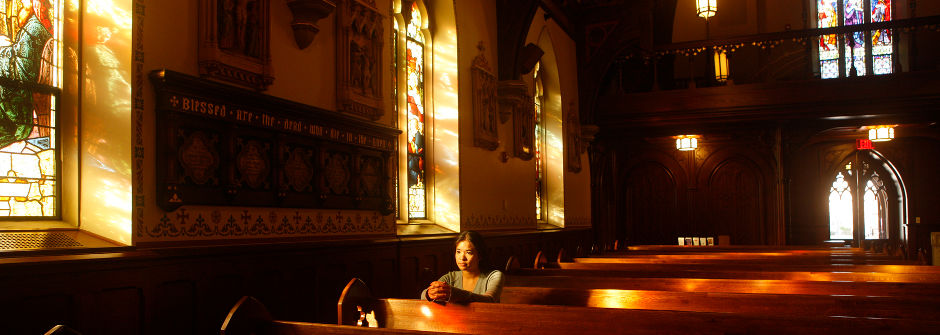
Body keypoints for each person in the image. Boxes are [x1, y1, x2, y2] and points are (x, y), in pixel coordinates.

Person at [421, 231, 503, 303]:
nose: (462, 257)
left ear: (480, 255)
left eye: (469, 252)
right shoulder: (450, 278)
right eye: (458, 252)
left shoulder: (494, 276)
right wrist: (429, 293)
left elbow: (489, 300)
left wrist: (454, 294)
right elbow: (423, 296)